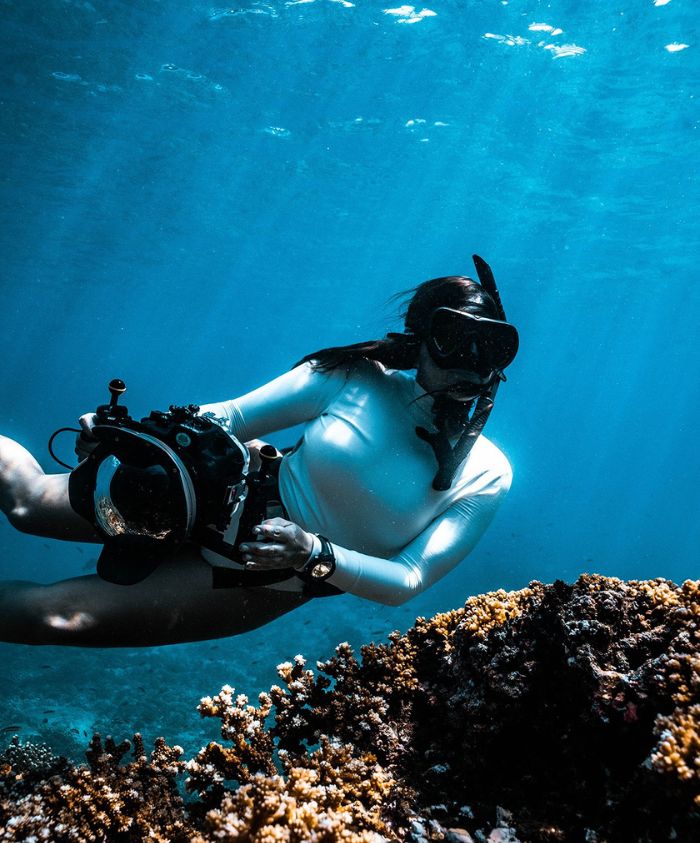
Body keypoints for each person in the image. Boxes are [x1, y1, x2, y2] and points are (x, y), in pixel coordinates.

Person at [0, 257, 519, 647]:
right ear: (421, 337)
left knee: (52, 616)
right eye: (455, 338)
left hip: (265, 582)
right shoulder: (351, 378)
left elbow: (408, 579)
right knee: (24, 503)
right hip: (197, 495)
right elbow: (225, 418)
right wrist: (127, 435)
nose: (470, 363)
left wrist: (311, 554)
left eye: (492, 347)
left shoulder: (487, 473)